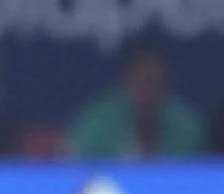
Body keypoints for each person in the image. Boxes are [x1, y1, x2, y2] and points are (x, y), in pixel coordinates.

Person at [66, 40, 205, 159]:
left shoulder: (187, 128)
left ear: (166, 86)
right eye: (141, 82)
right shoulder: (96, 124)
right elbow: (75, 170)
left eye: (154, 82)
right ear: (126, 82)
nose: (147, 91)